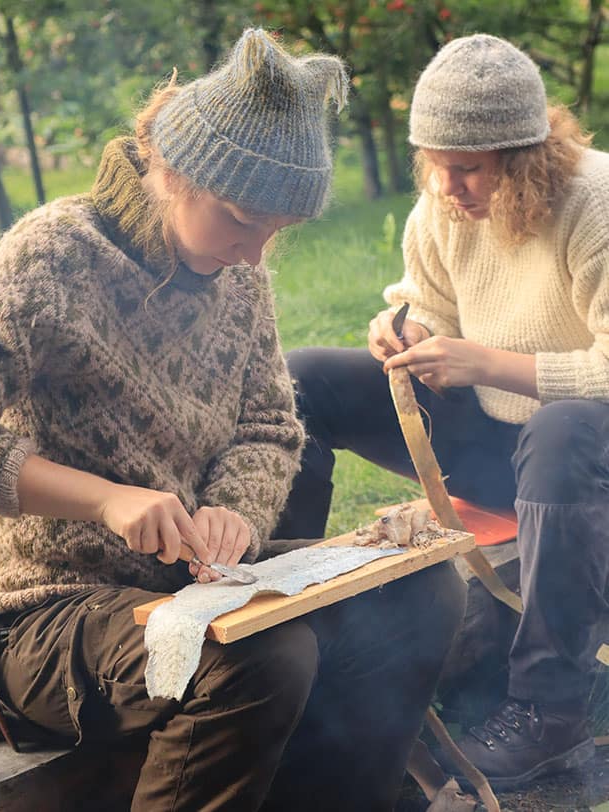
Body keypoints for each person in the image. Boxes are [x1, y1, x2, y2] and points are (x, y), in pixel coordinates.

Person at [0, 28, 465, 810]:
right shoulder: (53, 259)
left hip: (191, 593)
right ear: (176, 173)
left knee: (422, 594)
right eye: (240, 219)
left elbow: (267, 425)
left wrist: (234, 512)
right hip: (43, 615)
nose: (256, 256)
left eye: (276, 232)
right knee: (257, 657)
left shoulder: (238, 281)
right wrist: (105, 499)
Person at [277, 33, 609, 790]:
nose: (446, 186)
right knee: (304, 379)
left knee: (560, 430)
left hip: (586, 458)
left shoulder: (596, 203)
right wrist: (404, 329)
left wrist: (484, 363)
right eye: (435, 164)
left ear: (523, 158)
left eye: (467, 169)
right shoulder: (445, 201)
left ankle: (549, 714)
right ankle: (273, 623)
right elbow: (425, 299)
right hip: (495, 442)